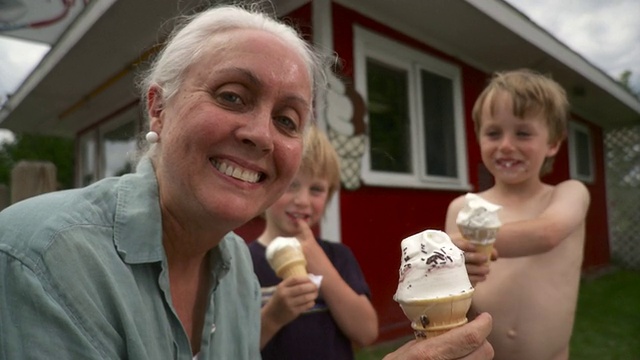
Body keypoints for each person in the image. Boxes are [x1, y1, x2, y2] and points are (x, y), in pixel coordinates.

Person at [0, 4, 493, 360]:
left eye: (287, 119)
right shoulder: (40, 259)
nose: (260, 135)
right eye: (233, 96)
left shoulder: (236, 267)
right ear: (158, 107)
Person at [445, 69, 591, 360]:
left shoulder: (568, 193)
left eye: (523, 133)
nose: (506, 145)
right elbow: (455, 293)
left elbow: (546, 233)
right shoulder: (462, 207)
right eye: (493, 132)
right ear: (479, 137)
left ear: (553, 143)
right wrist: (455, 268)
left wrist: (443, 248)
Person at [248, 125, 377, 359]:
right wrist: (273, 316)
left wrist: (322, 267)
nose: (302, 200)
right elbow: (230, 349)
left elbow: (366, 332)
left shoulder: (338, 257)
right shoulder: (242, 262)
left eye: (316, 189)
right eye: (290, 185)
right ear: (263, 186)